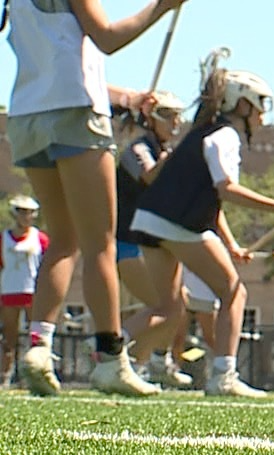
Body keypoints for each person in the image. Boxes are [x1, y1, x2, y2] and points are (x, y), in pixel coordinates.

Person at [8, 0, 188, 397]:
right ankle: (110, 360)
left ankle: (39, 344)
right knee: (99, 244)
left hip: (27, 117)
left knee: (63, 240)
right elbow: (106, 38)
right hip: (75, 115)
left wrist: (127, 98)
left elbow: (62, 58)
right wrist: (160, 8)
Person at [130, 49, 274, 397]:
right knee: (234, 291)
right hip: (177, 223)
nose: (262, 116)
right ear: (242, 105)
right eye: (259, 106)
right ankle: (223, 374)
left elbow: (213, 200)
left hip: (150, 219)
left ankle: (109, 353)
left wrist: (232, 244)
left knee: (168, 307)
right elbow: (227, 189)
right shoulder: (225, 136)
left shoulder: (203, 132)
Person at [115, 89, 194, 388]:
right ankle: (109, 347)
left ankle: (141, 364)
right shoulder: (138, 150)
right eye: (170, 116)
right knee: (165, 308)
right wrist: (176, 158)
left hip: (152, 243)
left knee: (176, 307)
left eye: (179, 117)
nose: (176, 123)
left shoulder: (161, 150)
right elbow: (149, 176)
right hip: (129, 242)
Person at [0, 195, 49, 386]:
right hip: (9, 292)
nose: (25, 216)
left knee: (35, 336)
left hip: (33, 292)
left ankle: (33, 376)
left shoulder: (40, 239)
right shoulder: (4, 238)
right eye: (21, 212)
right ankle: (5, 377)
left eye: (29, 213)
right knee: (9, 338)